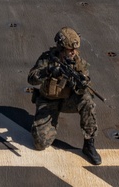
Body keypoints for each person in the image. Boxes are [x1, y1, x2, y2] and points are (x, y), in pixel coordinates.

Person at [27, 27, 101, 165]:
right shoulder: (47, 59)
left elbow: (86, 82)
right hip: (48, 101)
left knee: (88, 101)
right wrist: (48, 71)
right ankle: (46, 123)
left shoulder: (78, 61)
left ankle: (89, 143)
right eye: (70, 50)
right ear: (61, 48)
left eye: (75, 49)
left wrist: (82, 83)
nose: (74, 52)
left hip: (68, 100)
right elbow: (31, 79)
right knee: (40, 144)